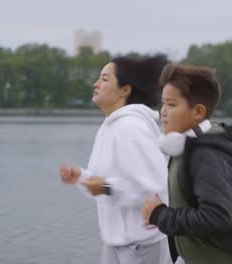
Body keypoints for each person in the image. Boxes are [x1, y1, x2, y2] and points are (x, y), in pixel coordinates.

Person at [142, 64, 232, 264]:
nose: (163, 112)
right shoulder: (184, 147)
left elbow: (216, 216)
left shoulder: (206, 155)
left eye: (171, 104)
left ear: (198, 112)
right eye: (163, 104)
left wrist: (161, 216)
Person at [60, 55, 172, 264]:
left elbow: (154, 187)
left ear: (125, 90)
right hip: (116, 245)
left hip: (143, 246)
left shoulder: (131, 128)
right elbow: (105, 181)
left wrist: (105, 186)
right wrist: (81, 177)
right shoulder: (110, 126)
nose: (96, 84)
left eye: (104, 79)